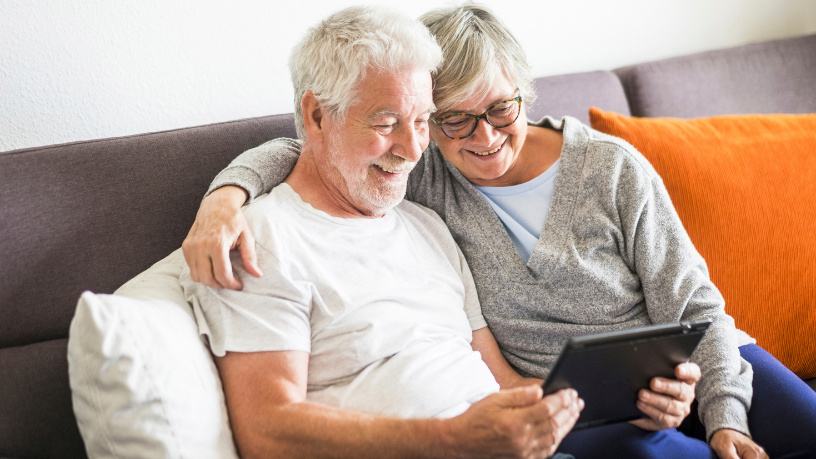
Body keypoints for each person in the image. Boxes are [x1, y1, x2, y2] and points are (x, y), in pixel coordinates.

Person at [183, 4, 816, 459]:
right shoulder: (421, 172)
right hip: (583, 408)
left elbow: (695, 305)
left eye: (499, 109)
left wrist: (724, 417)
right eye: (454, 119)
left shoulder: (608, 168)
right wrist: (225, 198)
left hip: (698, 362)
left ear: (524, 93)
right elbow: (307, 149)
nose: (483, 137)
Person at [181, 7, 590, 459]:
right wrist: (456, 439)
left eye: (422, 121)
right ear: (317, 116)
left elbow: (501, 382)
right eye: (385, 123)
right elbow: (267, 430)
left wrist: (600, 401)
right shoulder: (260, 240)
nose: (413, 149)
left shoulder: (428, 225)